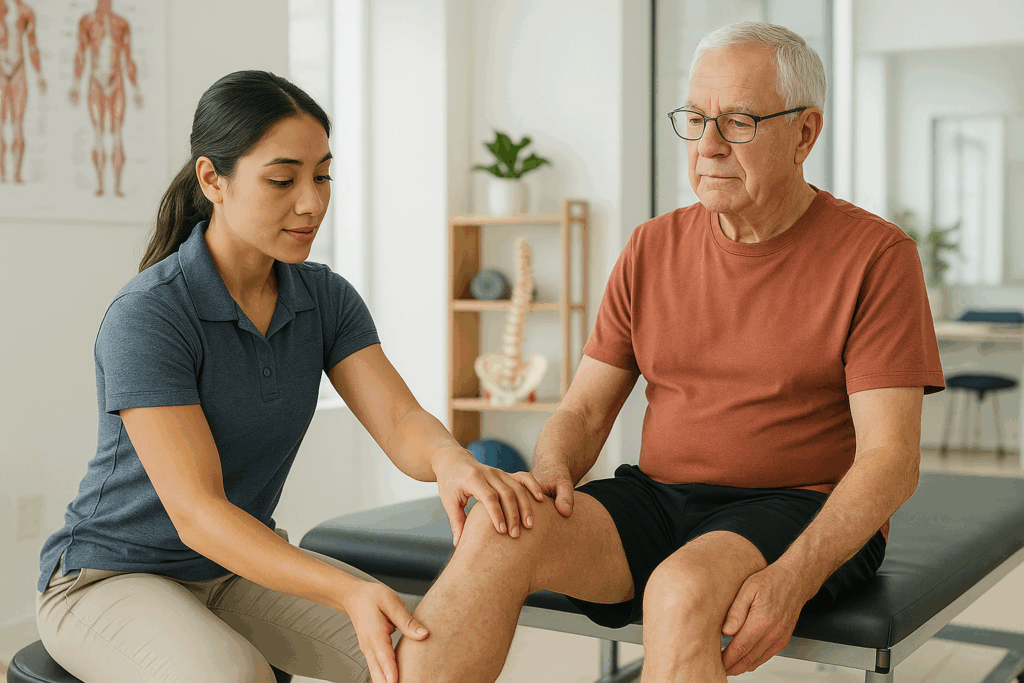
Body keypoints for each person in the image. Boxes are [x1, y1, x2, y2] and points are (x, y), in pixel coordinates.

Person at [393, 21, 945, 683]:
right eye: (695, 119)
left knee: (680, 591)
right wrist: (550, 469)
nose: (707, 147)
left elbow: (891, 461)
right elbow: (585, 412)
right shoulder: (651, 246)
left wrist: (791, 577)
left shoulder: (876, 257)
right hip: (658, 497)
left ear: (805, 134)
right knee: (498, 526)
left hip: (799, 504)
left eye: (738, 121)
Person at [36, 70, 542, 683]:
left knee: (428, 657)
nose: (312, 202)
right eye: (282, 179)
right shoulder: (151, 314)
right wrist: (343, 590)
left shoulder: (324, 298)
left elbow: (401, 420)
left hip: (233, 572)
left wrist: (449, 459)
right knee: (234, 676)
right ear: (211, 180)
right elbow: (198, 512)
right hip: (111, 577)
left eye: (322, 175)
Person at [68, 0, 144, 197]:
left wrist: (135, 88)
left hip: (116, 81)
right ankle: (101, 185)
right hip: (95, 81)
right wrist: (75, 84)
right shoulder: (86, 21)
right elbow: (80, 54)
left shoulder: (121, 23)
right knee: (99, 135)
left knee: (117, 133)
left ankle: (117, 187)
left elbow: (128, 58)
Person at [0, 0, 46, 184]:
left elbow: (32, 45)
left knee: (18, 123)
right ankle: (2, 174)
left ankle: (17, 174)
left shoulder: (26, 11)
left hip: (18, 68)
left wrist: (40, 74)